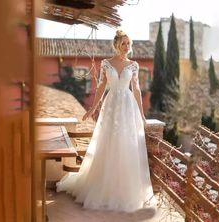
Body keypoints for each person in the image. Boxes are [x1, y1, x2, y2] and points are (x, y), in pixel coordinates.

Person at [57, 30, 155, 212]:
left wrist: (142, 115)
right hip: (110, 107)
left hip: (127, 107)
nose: (127, 47)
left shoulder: (133, 65)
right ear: (116, 44)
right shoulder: (105, 64)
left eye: (129, 44)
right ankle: (103, 187)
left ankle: (124, 189)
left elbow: (137, 90)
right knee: (107, 142)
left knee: (127, 145)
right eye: (124, 43)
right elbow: (100, 87)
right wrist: (92, 109)